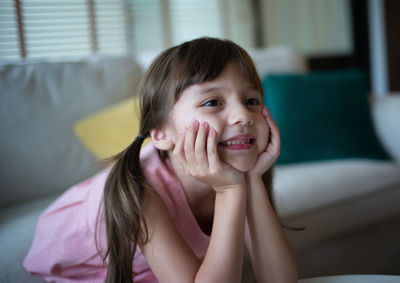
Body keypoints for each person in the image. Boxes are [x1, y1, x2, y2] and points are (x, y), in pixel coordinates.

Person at [24, 37, 298, 283]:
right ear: (161, 134)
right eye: (213, 102)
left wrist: (251, 180)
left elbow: (280, 279)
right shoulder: (142, 193)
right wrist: (229, 191)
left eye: (251, 100)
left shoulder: (236, 173)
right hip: (87, 270)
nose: (244, 115)